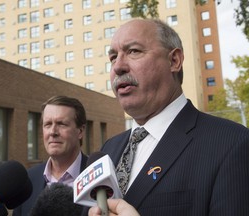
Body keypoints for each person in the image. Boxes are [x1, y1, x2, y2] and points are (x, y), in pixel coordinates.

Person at [85, 18, 249, 216]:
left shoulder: (232, 144)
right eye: (112, 57)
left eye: (134, 51)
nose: (117, 66)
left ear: (174, 61)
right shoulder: (109, 149)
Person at [13, 95, 88, 215]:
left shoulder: (100, 178)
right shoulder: (27, 181)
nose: (53, 132)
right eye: (47, 124)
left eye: (61, 124)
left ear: (80, 131)